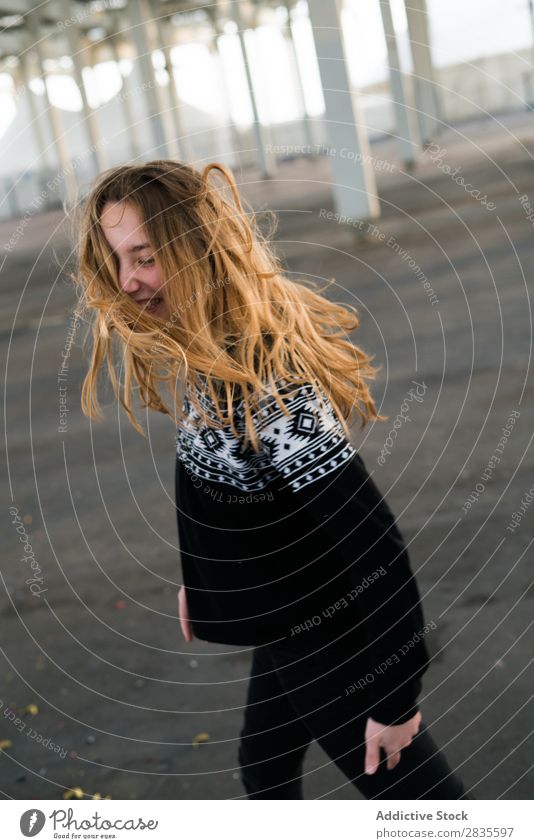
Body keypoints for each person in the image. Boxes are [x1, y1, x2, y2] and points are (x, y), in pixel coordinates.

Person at [72, 159, 475, 800]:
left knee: (430, 811)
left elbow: (377, 549)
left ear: (194, 250)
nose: (128, 282)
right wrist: (203, 582)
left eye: (144, 257)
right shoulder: (212, 352)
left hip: (325, 635)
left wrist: (396, 703)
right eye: (119, 261)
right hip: (284, 618)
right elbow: (221, 489)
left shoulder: (265, 384)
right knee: (264, 774)